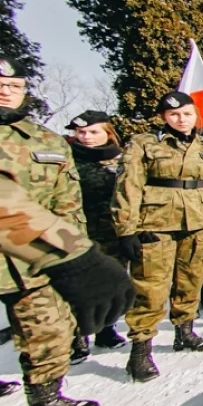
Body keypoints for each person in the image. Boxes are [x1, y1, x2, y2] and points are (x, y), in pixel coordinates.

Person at [0, 57, 134, 406]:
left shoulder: (46, 140)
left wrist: (79, 250)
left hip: (38, 257)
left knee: (48, 327)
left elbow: (66, 203)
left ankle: (44, 398)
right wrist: (74, 254)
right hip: (37, 246)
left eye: (14, 85)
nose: (5, 90)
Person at [112, 91, 203, 382]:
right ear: (163, 116)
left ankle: (185, 332)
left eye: (187, 114)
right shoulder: (144, 143)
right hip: (155, 224)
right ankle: (140, 350)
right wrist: (126, 230)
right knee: (151, 286)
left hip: (199, 222)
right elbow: (128, 187)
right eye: (174, 114)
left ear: (195, 115)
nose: (181, 119)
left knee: (191, 278)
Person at [66, 110, 128, 363]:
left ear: (107, 133)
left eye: (93, 132)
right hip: (76, 231)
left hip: (114, 231)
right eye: (81, 132)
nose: (87, 137)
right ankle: (77, 337)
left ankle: (106, 329)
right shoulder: (66, 159)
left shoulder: (122, 159)